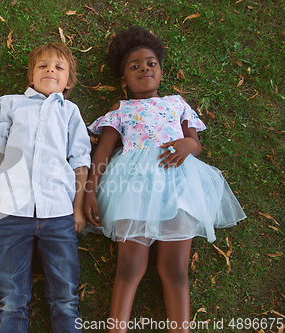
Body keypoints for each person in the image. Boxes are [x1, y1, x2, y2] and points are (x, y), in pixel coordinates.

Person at [83, 26, 246, 332]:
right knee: (130, 266)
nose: (144, 68)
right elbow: (103, 152)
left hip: (179, 187)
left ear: (160, 72)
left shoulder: (176, 103)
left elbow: (194, 143)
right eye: (135, 66)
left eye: (151, 63)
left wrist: (189, 144)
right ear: (124, 81)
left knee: (174, 268)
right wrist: (90, 191)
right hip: (133, 189)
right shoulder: (121, 110)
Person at [0, 42, 91, 332]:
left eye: (59, 67)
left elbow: (80, 161)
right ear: (31, 76)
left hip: (59, 214)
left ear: (68, 81)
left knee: (66, 298)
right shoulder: (11, 104)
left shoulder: (70, 112)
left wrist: (78, 208)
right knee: (11, 299)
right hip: (13, 212)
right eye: (42, 65)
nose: (50, 70)